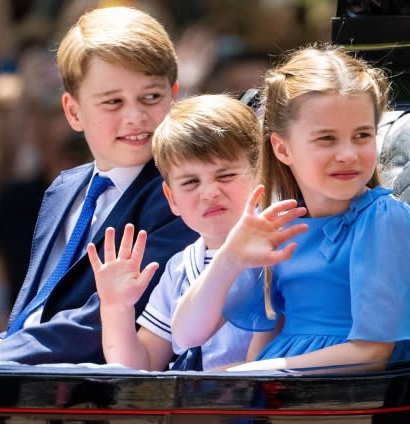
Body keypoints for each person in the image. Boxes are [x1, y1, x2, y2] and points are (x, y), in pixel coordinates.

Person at [0, 6, 197, 364]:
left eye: (151, 97)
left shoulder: (178, 193)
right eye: (113, 101)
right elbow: (47, 310)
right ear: (74, 111)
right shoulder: (65, 189)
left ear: (174, 94)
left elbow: (104, 322)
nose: (135, 116)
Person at [171, 44, 410, 371]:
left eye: (362, 136)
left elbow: (371, 354)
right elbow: (187, 336)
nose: (348, 154)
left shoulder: (385, 221)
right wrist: (230, 257)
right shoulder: (280, 224)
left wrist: (245, 373)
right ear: (283, 149)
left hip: (337, 392)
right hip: (276, 385)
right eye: (326, 139)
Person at [88, 94, 304, 371]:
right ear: (172, 198)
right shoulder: (180, 268)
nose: (210, 193)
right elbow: (142, 366)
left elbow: (263, 364)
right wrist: (116, 307)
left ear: (260, 172)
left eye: (225, 175)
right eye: (190, 182)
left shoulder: (286, 245)